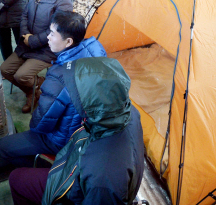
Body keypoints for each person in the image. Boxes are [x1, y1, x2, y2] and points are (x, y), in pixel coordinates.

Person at [8, 57, 145, 205]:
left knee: (16, 178)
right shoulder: (127, 111)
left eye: (76, 93)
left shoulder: (102, 178)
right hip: (79, 165)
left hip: (77, 185)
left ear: (93, 105)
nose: (71, 96)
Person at [0, 11, 106, 166]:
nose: (48, 37)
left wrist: (33, 129)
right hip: (89, 132)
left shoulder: (59, 75)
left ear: (68, 42)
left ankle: (47, 169)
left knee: (4, 147)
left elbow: (42, 122)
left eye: (53, 34)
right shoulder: (96, 52)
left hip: (65, 139)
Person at [0, 0, 77, 113]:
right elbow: (24, 15)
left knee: (21, 76)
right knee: (5, 70)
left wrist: (33, 40)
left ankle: (36, 86)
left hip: (47, 48)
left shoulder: (63, 1)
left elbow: (58, 29)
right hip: (27, 43)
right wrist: (25, 35)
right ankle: (33, 91)